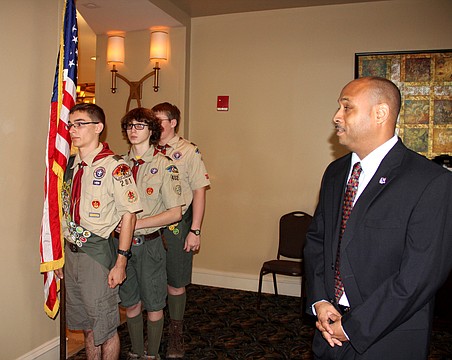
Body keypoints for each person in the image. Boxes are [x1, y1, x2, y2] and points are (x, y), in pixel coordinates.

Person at [304, 76, 452, 360]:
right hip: (328, 331)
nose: (336, 116)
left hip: (387, 337)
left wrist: (354, 327)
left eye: (347, 107)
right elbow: (317, 242)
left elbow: (419, 276)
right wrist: (320, 301)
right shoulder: (335, 173)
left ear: (380, 113)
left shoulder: (429, 182)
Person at [55, 103, 142, 359]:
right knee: (88, 327)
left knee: (105, 327)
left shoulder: (116, 166)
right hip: (71, 255)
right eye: (71, 124)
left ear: (98, 127)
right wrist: (59, 255)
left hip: (97, 256)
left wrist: (121, 263)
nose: (73, 130)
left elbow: (129, 215)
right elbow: (63, 213)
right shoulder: (69, 166)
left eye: (80, 123)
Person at [117, 107, 184, 360]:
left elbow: (175, 213)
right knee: (131, 302)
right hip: (122, 246)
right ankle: (136, 351)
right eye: (130, 126)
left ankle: (152, 354)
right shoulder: (119, 166)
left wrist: (137, 224)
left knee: (154, 303)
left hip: (149, 245)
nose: (133, 131)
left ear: (152, 130)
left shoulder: (165, 166)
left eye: (140, 125)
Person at [151, 102, 210, 358]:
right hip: (149, 226)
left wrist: (194, 230)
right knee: (150, 281)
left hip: (177, 226)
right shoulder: (147, 149)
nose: (154, 125)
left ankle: (176, 334)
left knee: (175, 283)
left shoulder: (188, 151)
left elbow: (199, 191)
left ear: (173, 122)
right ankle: (153, 332)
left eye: (159, 120)